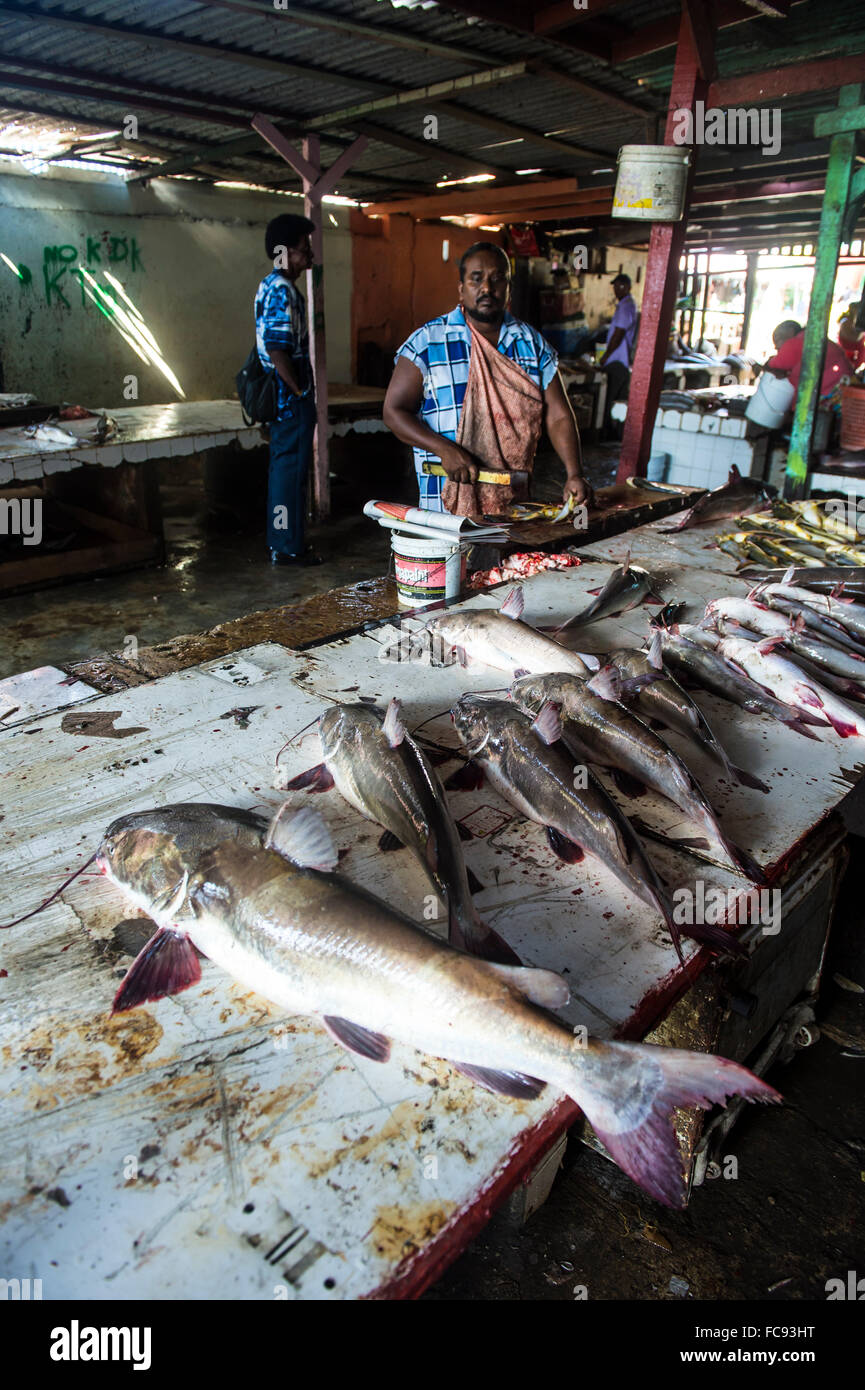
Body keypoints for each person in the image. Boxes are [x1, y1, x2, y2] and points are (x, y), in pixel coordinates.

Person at [383, 242, 592, 515]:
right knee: (450, 559)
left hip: (511, 503)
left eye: (497, 279)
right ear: (461, 288)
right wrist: (443, 449)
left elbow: (559, 415)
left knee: (509, 559)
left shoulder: (530, 343)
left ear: (508, 287)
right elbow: (393, 411)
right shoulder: (427, 342)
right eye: (476, 279)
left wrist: (574, 472)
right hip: (443, 508)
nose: (487, 288)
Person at [254, 213, 322, 566]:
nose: (309, 253)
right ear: (285, 252)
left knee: (284, 471)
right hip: (289, 401)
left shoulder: (268, 284)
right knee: (291, 475)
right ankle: (289, 548)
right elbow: (277, 347)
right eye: (303, 247)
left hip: (282, 400)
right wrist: (297, 392)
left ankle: (281, 542)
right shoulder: (283, 291)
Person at [764, 318, 851, 398]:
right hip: (843, 388)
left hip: (831, 396)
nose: (776, 346)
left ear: (791, 331)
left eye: (777, 338)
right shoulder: (812, 338)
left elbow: (771, 365)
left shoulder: (795, 343)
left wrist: (770, 361)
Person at [598, 273, 638, 428]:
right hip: (620, 361)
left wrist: (605, 356)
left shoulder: (626, 306)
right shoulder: (625, 305)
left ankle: (607, 433)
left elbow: (618, 334)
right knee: (618, 401)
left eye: (620, 286)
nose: (616, 290)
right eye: (615, 286)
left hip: (617, 361)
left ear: (628, 287)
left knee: (609, 400)